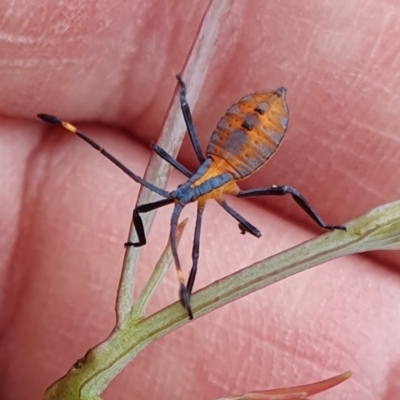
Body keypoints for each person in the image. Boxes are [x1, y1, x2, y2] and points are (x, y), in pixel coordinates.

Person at [1, 1, 399, 399]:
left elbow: (191, 250)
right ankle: (178, 281)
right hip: (227, 151)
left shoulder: (213, 193)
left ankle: (306, 235)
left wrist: (185, 282)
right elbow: (152, 188)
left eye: (182, 194)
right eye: (181, 194)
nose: (179, 196)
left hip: (242, 143)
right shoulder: (185, 190)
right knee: (151, 210)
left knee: (201, 248)